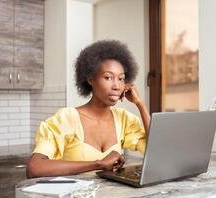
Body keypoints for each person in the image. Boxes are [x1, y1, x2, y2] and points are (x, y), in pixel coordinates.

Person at [26, 40, 150, 178]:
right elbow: (35, 168)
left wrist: (140, 104)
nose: (116, 86)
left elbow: (155, 149)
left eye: (121, 79)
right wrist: (98, 164)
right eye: (108, 77)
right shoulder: (67, 118)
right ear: (91, 79)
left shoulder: (124, 119)